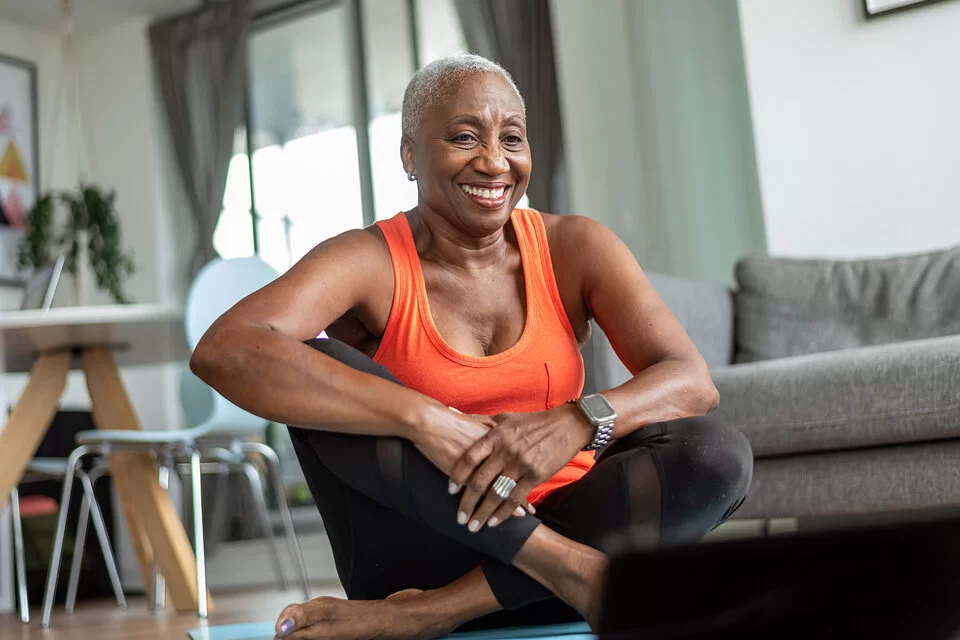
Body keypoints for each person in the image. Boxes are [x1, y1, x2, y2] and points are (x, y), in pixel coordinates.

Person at [191, 53, 752, 640]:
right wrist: (425, 419)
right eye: (464, 137)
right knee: (315, 366)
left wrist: (578, 420)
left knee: (716, 453)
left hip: (563, 538)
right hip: (423, 550)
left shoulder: (575, 247)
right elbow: (226, 348)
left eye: (512, 138)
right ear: (410, 155)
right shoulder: (368, 260)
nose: (494, 162)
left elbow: (692, 380)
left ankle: (432, 613)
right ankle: (568, 572)